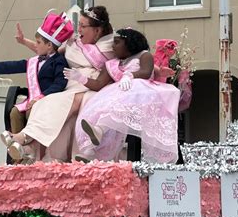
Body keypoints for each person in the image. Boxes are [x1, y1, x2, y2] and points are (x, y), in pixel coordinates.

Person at [8, 6, 115, 162]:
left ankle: (28, 139)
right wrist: (24, 42)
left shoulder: (111, 46)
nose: (79, 29)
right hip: (70, 85)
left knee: (64, 105)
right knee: (46, 102)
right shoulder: (75, 43)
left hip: (94, 87)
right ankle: (31, 148)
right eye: (79, 25)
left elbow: (127, 63)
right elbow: (48, 51)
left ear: (97, 31)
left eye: (83, 26)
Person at [64, 28, 180, 163]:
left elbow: (146, 72)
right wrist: (81, 78)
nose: (113, 47)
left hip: (142, 95)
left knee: (115, 107)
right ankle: (91, 151)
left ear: (129, 43)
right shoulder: (112, 64)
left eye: (117, 42)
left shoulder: (144, 55)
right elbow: (99, 84)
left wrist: (130, 75)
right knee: (102, 108)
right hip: (121, 95)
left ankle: (98, 132)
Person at [0, 12, 72, 161]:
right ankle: (17, 154)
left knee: (31, 113)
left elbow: (60, 83)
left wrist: (42, 96)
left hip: (48, 101)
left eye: (38, 43)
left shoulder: (59, 61)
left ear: (49, 45)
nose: (35, 46)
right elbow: (14, 65)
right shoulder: (35, 61)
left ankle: (30, 151)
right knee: (15, 112)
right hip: (32, 100)